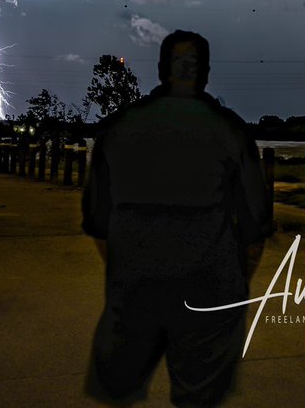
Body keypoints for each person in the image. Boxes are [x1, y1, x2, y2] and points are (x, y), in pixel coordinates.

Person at [82, 30, 271, 407]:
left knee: (118, 393)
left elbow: (98, 224)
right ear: (206, 72)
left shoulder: (118, 128)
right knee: (198, 397)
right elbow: (254, 230)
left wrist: (130, 268)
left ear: (161, 69)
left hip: (134, 289)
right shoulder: (230, 130)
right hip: (209, 290)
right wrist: (232, 287)